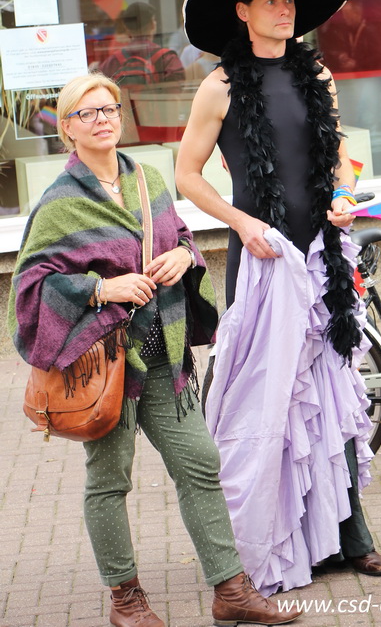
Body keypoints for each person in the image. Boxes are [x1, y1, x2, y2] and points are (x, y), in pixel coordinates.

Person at [8, 73, 300, 627]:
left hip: (163, 354)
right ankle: (126, 600)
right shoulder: (60, 203)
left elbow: (181, 236)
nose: (102, 120)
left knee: (200, 464)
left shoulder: (148, 180)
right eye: (87, 113)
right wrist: (101, 288)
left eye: (109, 109)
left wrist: (185, 257)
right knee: (109, 479)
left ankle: (231, 590)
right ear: (68, 129)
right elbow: (29, 286)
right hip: (105, 362)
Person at [176, 0, 381, 595]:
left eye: (291, 1)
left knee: (333, 388)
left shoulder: (316, 74)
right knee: (269, 395)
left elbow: (338, 153)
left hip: (322, 254)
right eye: (273, 0)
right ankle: (270, 536)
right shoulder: (219, 86)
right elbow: (187, 176)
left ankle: (352, 537)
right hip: (264, 257)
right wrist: (242, 223)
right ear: (243, 12)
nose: (285, 9)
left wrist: (344, 194)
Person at [100, 2, 185, 85]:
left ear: (126, 28)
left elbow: (101, 84)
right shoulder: (167, 59)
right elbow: (177, 88)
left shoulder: (113, 61)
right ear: (152, 25)